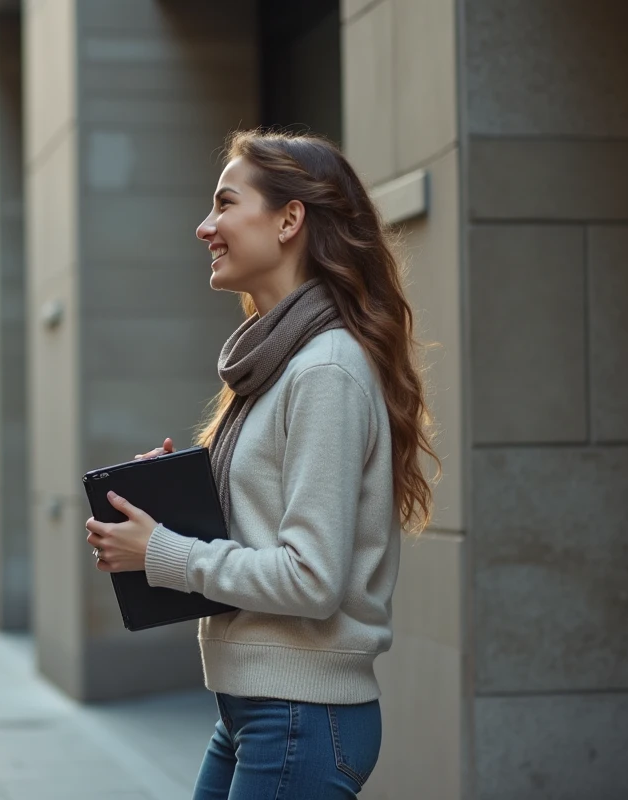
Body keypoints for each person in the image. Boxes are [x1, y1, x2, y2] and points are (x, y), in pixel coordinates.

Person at [84, 131, 440, 799]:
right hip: (261, 708)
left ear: (288, 219)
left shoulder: (324, 370)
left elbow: (311, 578)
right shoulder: (278, 363)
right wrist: (169, 510)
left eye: (224, 203)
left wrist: (162, 550)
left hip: (300, 714)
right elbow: (260, 527)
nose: (204, 226)